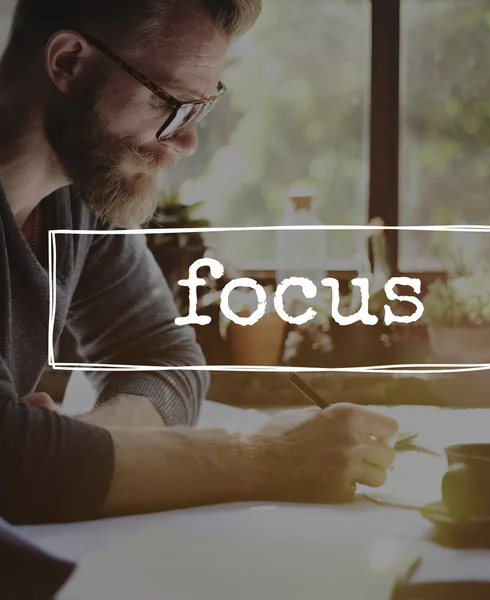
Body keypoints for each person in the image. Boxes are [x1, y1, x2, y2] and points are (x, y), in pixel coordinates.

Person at [0, 0, 399, 525]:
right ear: (68, 62)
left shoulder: (79, 197)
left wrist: (70, 450)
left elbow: (167, 361)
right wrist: (268, 458)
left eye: (201, 109)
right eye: (173, 103)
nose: (187, 141)